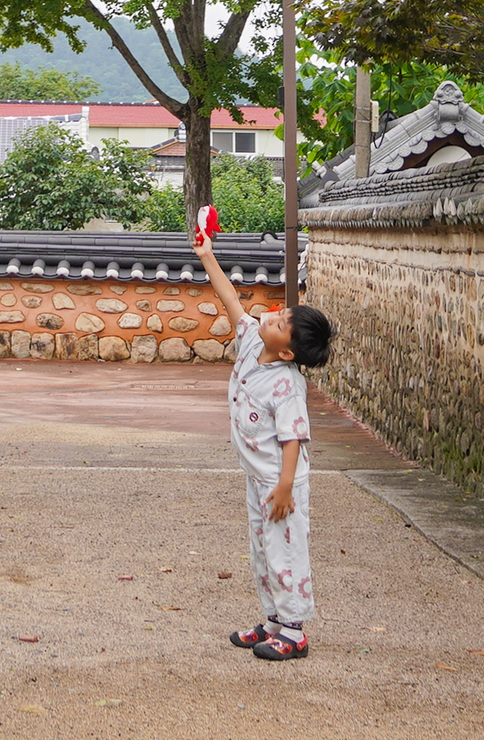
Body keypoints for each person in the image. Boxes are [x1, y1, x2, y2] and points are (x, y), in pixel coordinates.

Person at [193, 209, 329, 661]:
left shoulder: (288, 383)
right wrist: (208, 256)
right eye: (278, 312)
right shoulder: (253, 339)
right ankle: (272, 620)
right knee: (261, 549)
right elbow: (231, 299)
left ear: (287, 349)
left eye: (278, 322)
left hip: (280, 483)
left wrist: (286, 487)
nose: (270, 316)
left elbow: (294, 438)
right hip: (258, 478)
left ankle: (294, 632)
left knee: (285, 550)